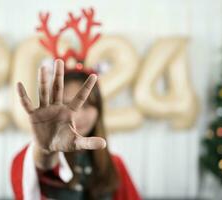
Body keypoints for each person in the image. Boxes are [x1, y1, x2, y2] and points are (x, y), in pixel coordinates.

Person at [11, 59, 142, 200]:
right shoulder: (27, 158)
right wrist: (46, 150)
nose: (78, 116)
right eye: (67, 106)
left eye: (86, 106)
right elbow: (36, 169)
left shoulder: (115, 165)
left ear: (99, 110)